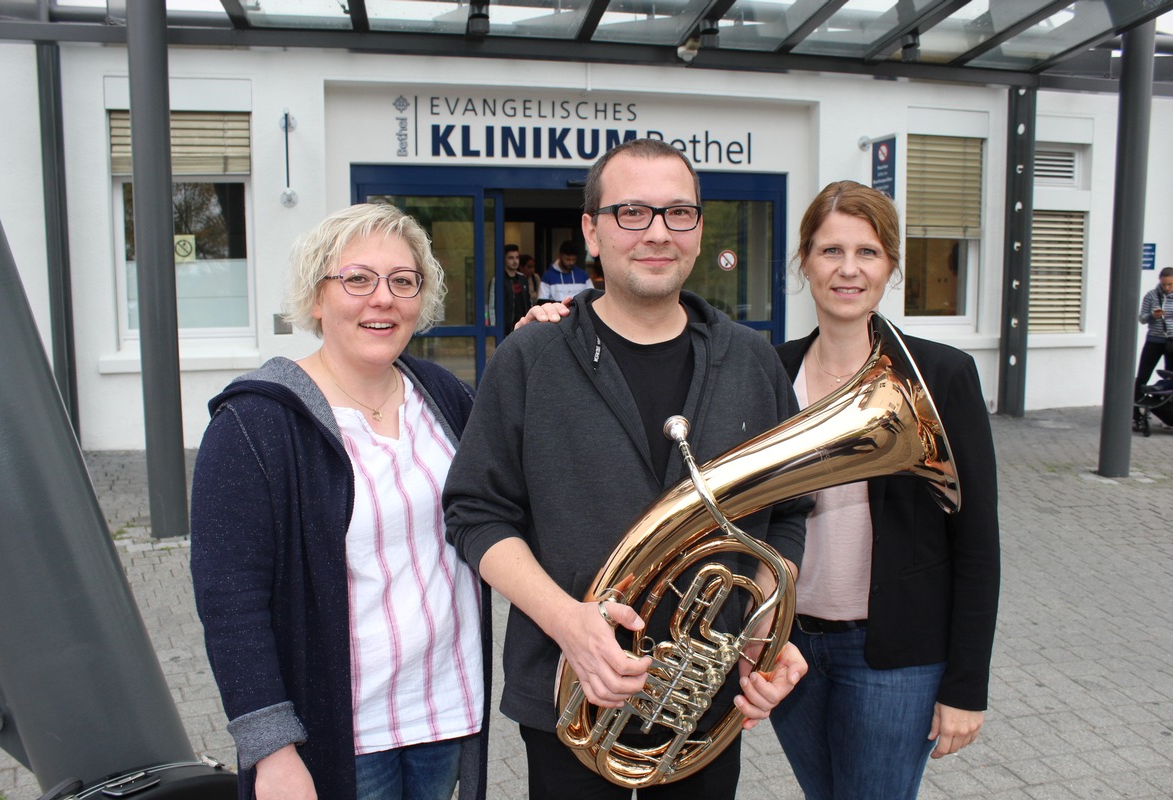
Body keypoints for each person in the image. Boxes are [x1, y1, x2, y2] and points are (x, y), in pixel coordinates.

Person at [443, 138, 810, 800]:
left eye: (678, 213)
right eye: (632, 212)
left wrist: (766, 623)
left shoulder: (753, 362)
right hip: (566, 694)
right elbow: (475, 513)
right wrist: (568, 623)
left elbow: (786, 514)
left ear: (699, 229)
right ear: (592, 229)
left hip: (706, 701)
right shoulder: (529, 359)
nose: (657, 233)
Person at [190, 203, 490, 800]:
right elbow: (231, 602)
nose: (383, 299)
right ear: (317, 298)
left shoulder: (445, 399)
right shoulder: (254, 424)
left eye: (403, 282)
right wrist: (270, 749)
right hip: (339, 732)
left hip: (443, 712)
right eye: (357, 279)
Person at [768, 180, 1000, 800]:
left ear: (891, 266)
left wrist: (965, 687)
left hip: (896, 656)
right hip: (789, 647)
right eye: (830, 251)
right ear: (805, 262)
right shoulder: (770, 371)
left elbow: (978, 543)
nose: (848, 269)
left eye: (867, 252)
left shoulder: (941, 374)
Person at [1133, 266, 1173, 425]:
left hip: (1172, 342)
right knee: (1143, 375)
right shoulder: (1151, 295)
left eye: (1170, 284)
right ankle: (1135, 413)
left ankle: (1168, 415)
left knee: (1171, 377)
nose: (1167, 288)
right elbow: (1142, 318)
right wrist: (1152, 316)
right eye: (1164, 284)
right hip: (1154, 341)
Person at [487, 243, 532, 333]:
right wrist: (494, 327)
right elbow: (492, 305)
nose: (515, 261)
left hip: (523, 327)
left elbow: (529, 302)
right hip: (505, 329)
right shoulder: (498, 280)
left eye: (517, 257)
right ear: (504, 259)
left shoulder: (522, 278)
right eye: (511, 258)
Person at [537, 238, 594, 303]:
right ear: (559, 256)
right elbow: (542, 302)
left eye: (574, 259)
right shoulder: (548, 276)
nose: (571, 262)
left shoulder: (583, 276)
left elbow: (592, 298)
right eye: (567, 259)